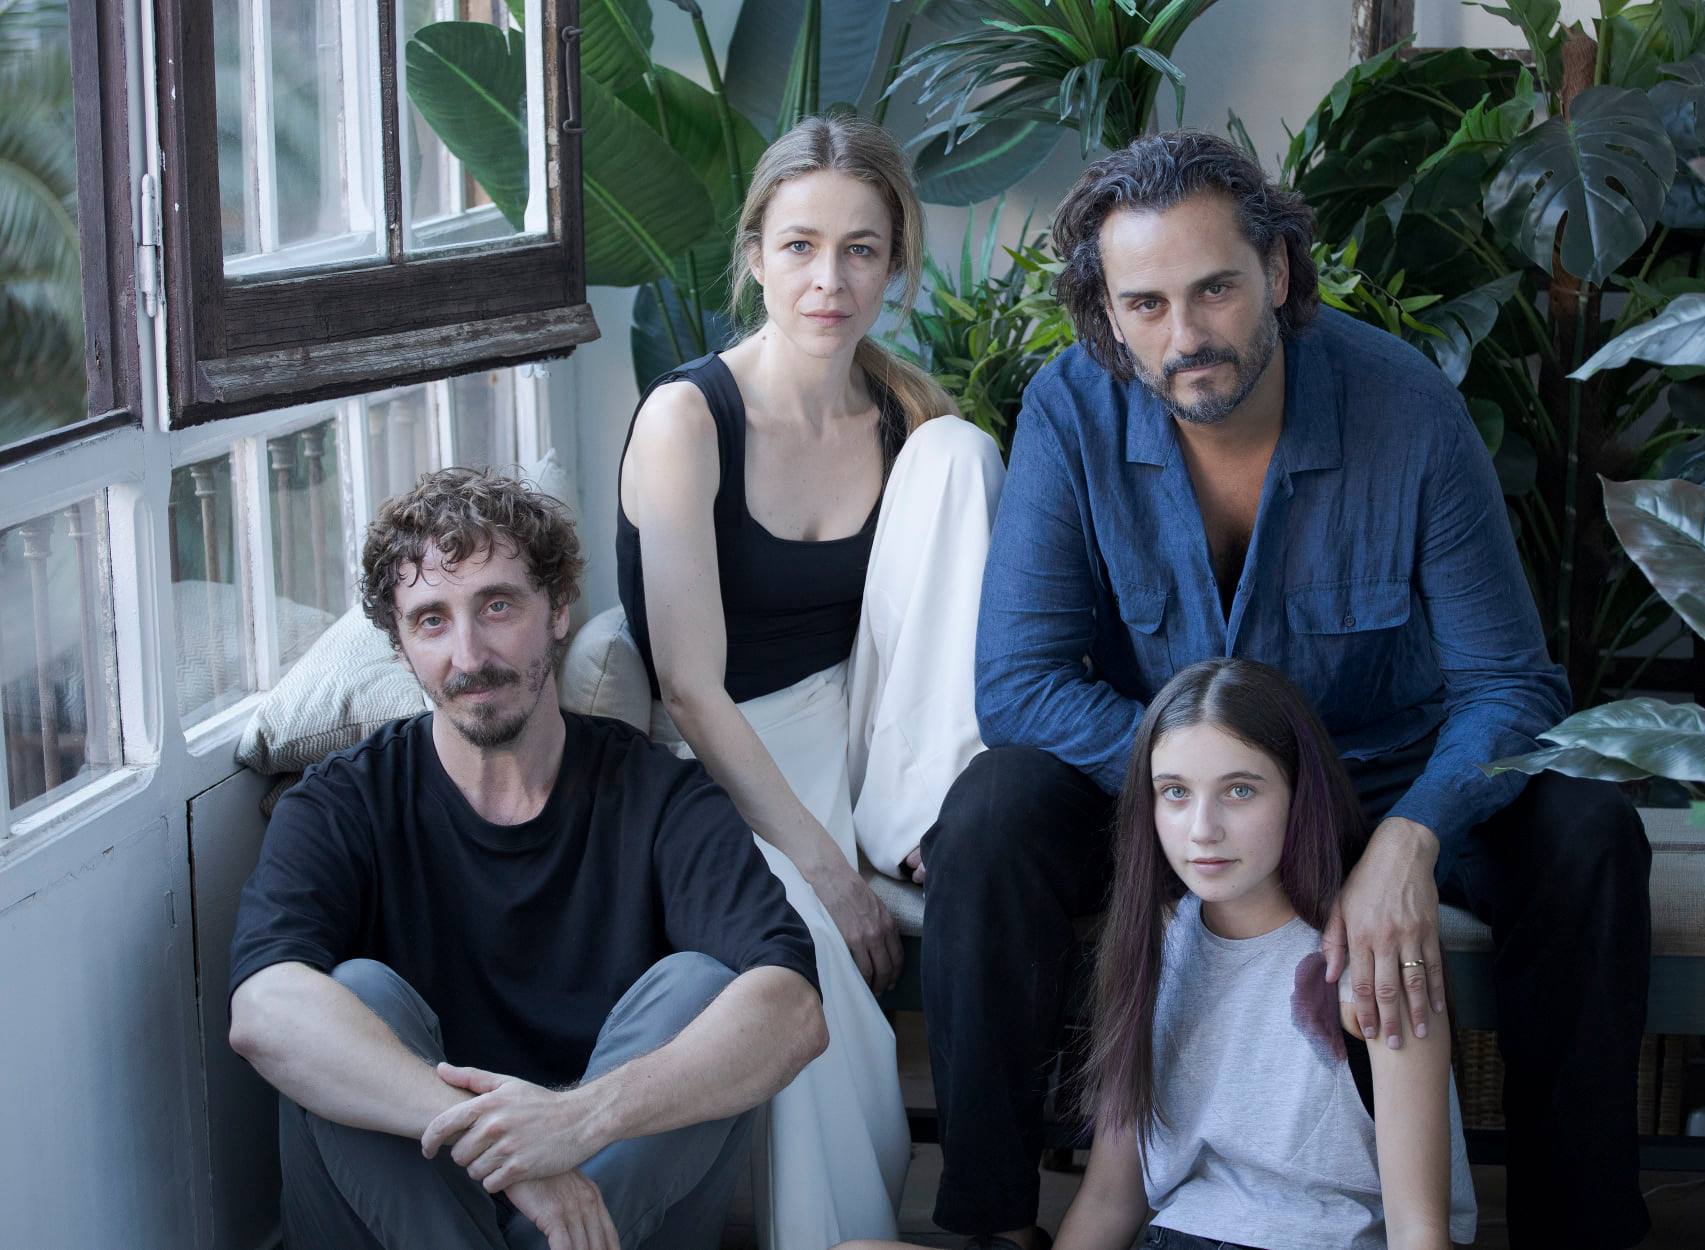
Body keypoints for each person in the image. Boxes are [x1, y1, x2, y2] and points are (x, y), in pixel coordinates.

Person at [917, 130, 1651, 1250]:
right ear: (1108, 312)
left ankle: (1577, 1232)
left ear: (1277, 270)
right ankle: (988, 1225)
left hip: (1379, 773)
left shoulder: (1404, 406)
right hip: (1176, 784)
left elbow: (1509, 683)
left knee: (1588, 832)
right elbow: (1019, 682)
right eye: (1146, 303)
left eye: (1214, 288)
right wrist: (1197, 781)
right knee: (990, 814)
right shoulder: (1071, 411)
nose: (1186, 335)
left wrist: (1409, 837)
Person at [228, 469, 829, 1250]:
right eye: (432, 621)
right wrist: (509, 1151)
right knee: (351, 998)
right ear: (401, 648)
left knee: (703, 990)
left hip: (608, 1204)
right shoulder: (342, 802)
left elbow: (792, 1012)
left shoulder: (660, 796)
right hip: (405, 1219)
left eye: (497, 606)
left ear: (558, 610)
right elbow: (263, 1010)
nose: (469, 655)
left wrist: (575, 1123)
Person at [616, 113, 1004, 1245]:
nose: (829, 280)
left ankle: (931, 818)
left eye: (860, 249)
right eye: (799, 246)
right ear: (753, 255)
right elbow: (689, 688)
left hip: (878, 730)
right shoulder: (688, 418)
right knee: (808, 959)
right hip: (731, 756)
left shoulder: (907, 416)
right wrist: (830, 875)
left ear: (895, 264)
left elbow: (938, 632)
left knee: (963, 451)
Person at [842, 658, 1478, 1250]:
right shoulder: (1157, 945)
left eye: (1240, 790)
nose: (1202, 829)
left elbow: (1420, 1232)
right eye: (1175, 792)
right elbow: (1111, 1200)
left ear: (1298, 792)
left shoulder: (1370, 959)